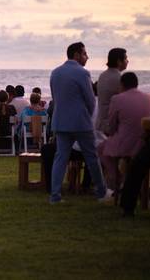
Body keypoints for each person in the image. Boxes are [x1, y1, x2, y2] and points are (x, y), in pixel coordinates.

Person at [49, 42, 112, 204]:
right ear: (76, 55)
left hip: (60, 122)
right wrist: (87, 117)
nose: (87, 57)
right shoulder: (82, 73)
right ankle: (101, 192)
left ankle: (55, 195)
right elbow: (90, 100)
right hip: (80, 123)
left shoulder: (55, 73)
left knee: (60, 158)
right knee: (91, 157)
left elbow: (55, 99)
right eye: (84, 54)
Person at [99, 72, 150, 190]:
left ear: (122, 85)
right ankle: (125, 180)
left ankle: (115, 178)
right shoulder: (149, 97)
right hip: (144, 144)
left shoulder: (117, 99)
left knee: (100, 149)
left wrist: (110, 131)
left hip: (125, 144)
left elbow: (112, 125)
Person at [95, 48, 128, 135]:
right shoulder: (118, 78)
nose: (127, 61)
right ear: (119, 61)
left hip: (101, 123)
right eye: (125, 58)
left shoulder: (103, 75)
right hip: (110, 125)